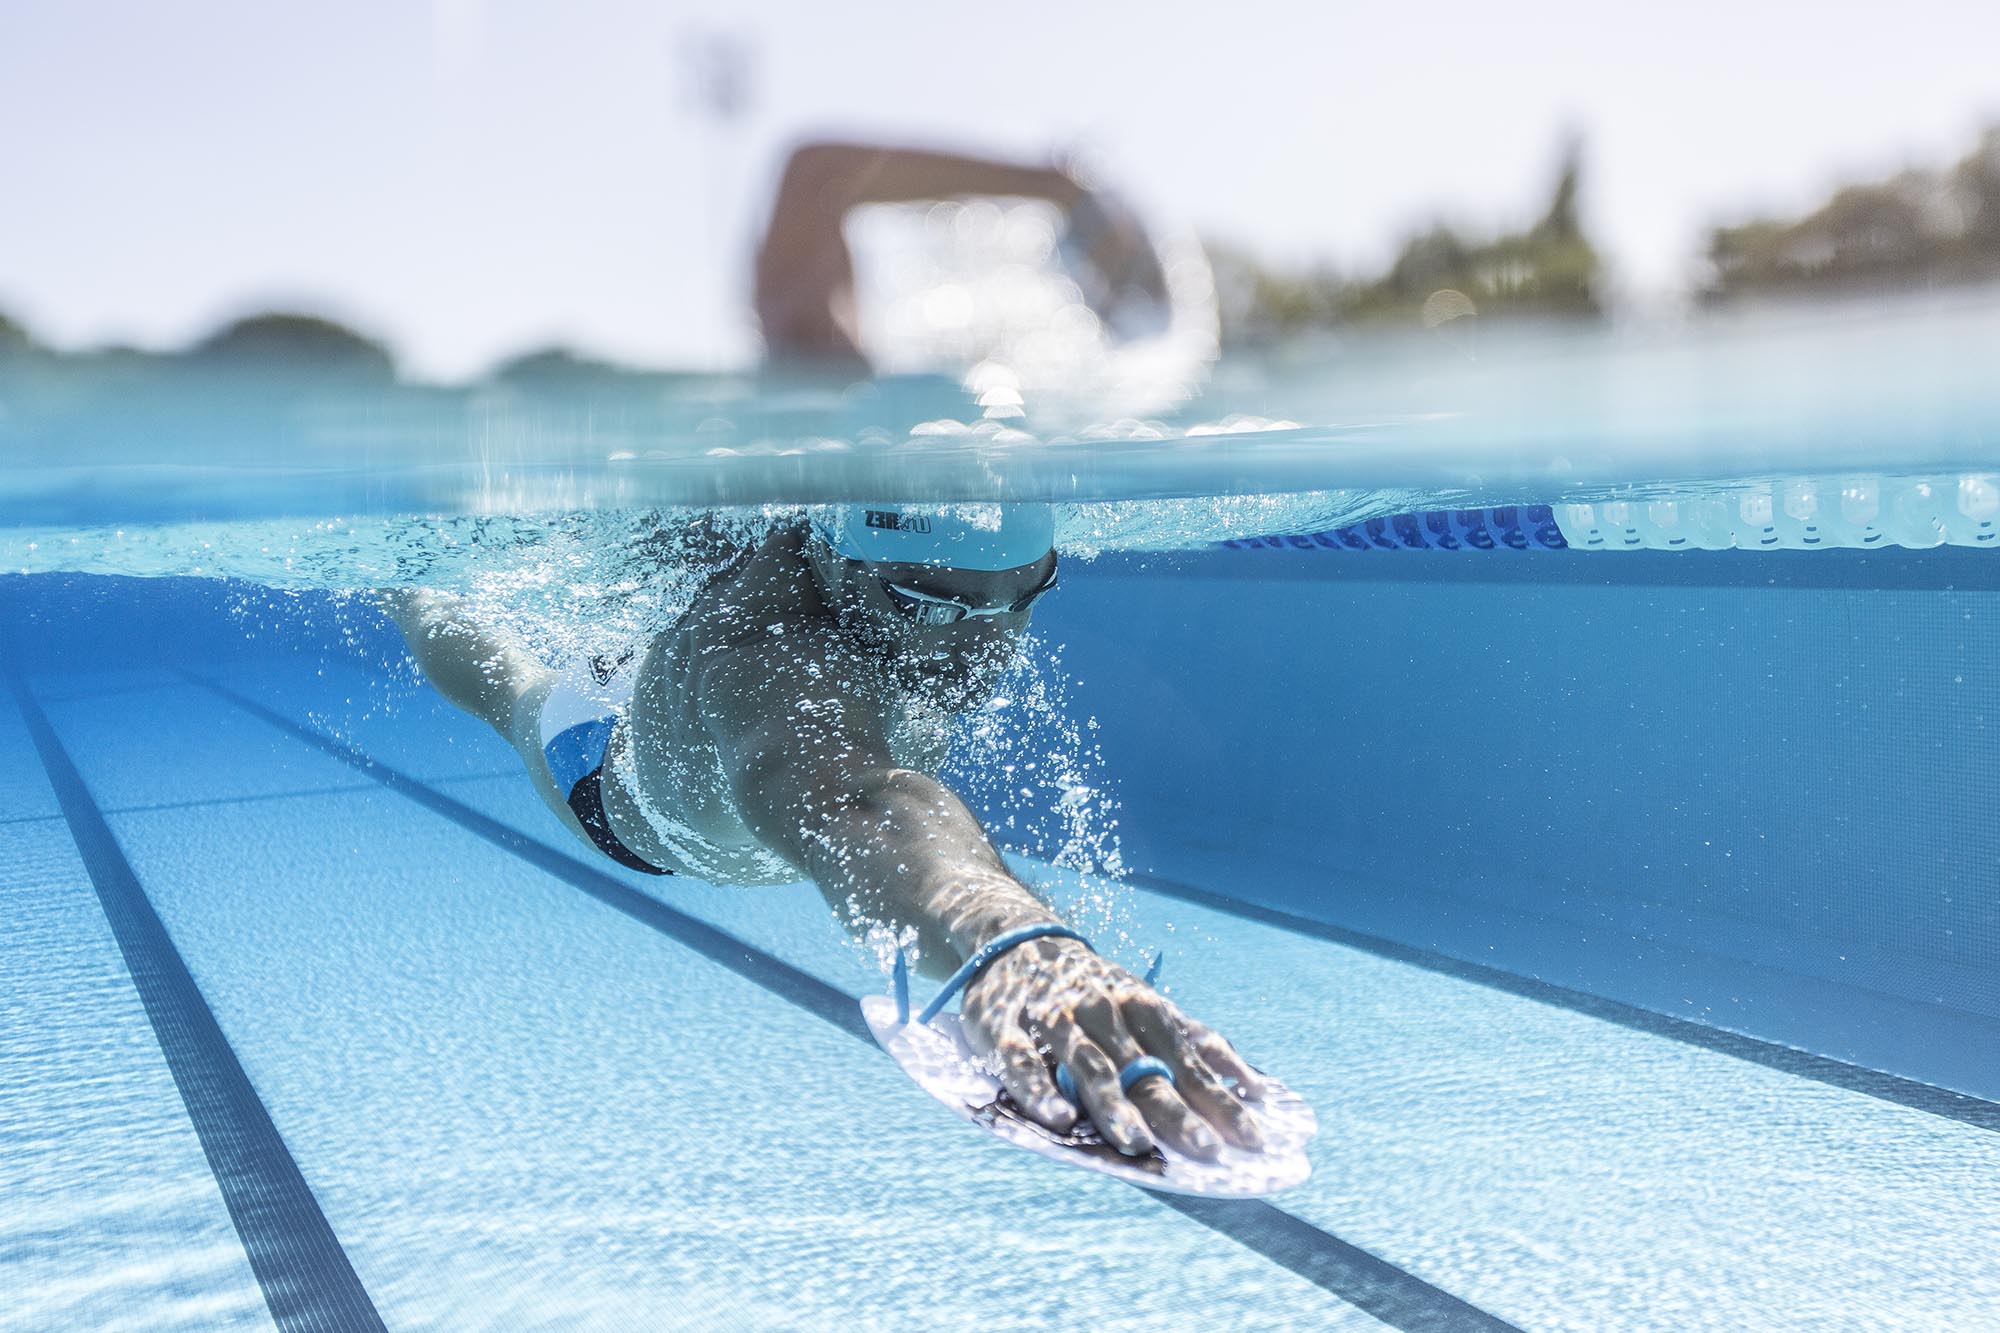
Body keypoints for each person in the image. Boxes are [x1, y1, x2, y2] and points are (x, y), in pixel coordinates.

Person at [384, 503, 1267, 1161]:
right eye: (930, 606)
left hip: (689, 677)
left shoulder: (891, 568)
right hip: (613, 783)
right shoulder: (764, 654)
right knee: (511, 685)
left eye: (1023, 600)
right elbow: (860, 801)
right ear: (833, 560)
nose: (983, 651)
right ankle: (402, 578)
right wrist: (1018, 948)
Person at [752, 140, 1171, 368]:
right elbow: (817, 174)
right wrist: (1059, 187)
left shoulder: (810, 364)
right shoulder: (816, 364)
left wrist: (1057, 187)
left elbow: (817, 175)